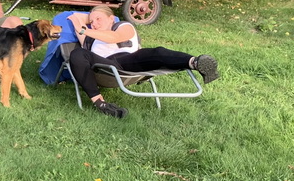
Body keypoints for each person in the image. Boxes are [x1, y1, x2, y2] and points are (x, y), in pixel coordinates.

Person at [66, 8, 219, 119]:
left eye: (98, 19)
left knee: (155, 52)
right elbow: (74, 17)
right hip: (104, 66)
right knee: (77, 53)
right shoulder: (89, 38)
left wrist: (85, 29)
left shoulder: (122, 26)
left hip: (128, 61)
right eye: (91, 21)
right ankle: (101, 104)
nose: (94, 24)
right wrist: (87, 23)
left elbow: (114, 37)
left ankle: (196, 62)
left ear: (111, 18)